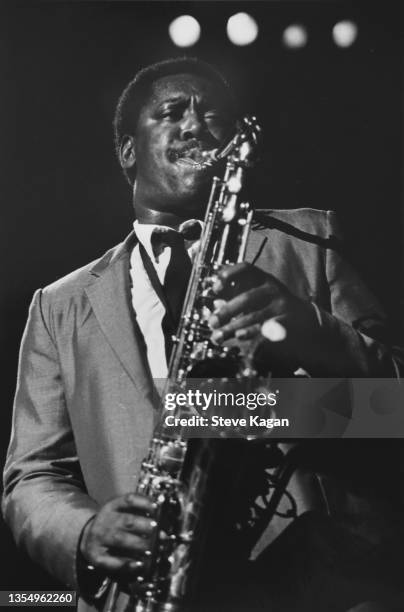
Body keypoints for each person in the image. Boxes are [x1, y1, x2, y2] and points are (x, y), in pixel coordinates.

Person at [2, 57, 404, 612]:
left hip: (316, 585)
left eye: (214, 116)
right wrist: (86, 531)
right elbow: (31, 477)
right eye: (172, 113)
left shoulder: (311, 241)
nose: (196, 126)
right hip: (152, 588)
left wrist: (303, 337)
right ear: (128, 151)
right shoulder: (58, 304)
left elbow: (394, 408)